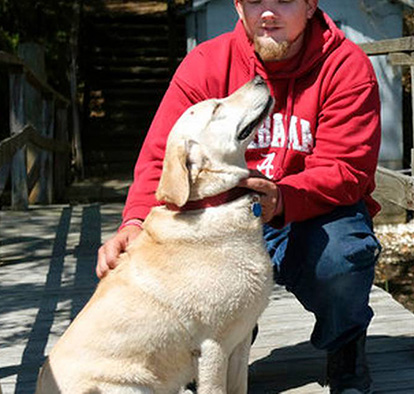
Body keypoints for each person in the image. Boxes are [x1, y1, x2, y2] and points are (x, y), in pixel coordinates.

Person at [96, 0, 382, 392]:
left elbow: (348, 169)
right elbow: (165, 155)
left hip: (309, 212)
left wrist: (284, 197)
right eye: (255, 1)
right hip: (220, 217)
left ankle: (346, 345)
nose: (268, 12)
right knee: (176, 254)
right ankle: (226, 340)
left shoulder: (346, 67)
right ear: (237, 5)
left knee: (342, 257)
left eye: (283, 0)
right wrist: (135, 222)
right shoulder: (205, 64)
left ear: (311, 5)